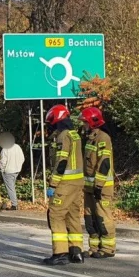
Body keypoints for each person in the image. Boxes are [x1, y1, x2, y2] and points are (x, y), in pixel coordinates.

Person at [43, 105, 85, 265]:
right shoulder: (75, 135)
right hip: (77, 182)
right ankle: (76, 251)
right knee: (72, 215)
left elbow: (61, 162)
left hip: (65, 183)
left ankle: (60, 253)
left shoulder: (62, 136)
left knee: (56, 215)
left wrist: (53, 185)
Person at [81, 107, 116, 259]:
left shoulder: (103, 138)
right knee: (90, 218)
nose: (83, 125)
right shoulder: (90, 137)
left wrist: (99, 185)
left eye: (85, 122)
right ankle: (94, 247)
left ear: (92, 122)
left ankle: (108, 248)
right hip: (89, 187)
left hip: (101, 188)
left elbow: (104, 163)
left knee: (103, 217)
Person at [0, 132, 24, 210]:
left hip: (8, 171)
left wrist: (1, 169)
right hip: (17, 170)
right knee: (12, 187)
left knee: (10, 188)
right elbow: (22, 158)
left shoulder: (5, 149)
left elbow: (3, 162)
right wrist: (19, 167)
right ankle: (14, 203)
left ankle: (14, 205)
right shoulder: (17, 147)